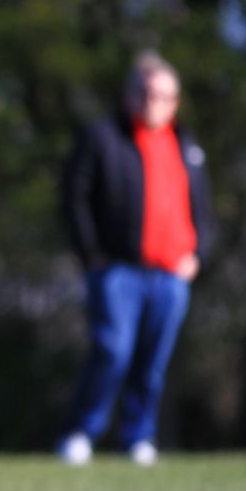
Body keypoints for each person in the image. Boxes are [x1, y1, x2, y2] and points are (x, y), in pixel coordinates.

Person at [57, 51, 212, 466]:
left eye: (163, 96)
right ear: (129, 95)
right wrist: (92, 255)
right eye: (145, 93)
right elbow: (75, 198)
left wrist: (198, 253)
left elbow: (202, 208)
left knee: (152, 363)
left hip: (171, 275)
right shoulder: (103, 137)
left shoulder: (186, 144)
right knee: (113, 351)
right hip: (117, 270)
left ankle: (138, 438)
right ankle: (80, 434)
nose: (153, 102)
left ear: (175, 102)